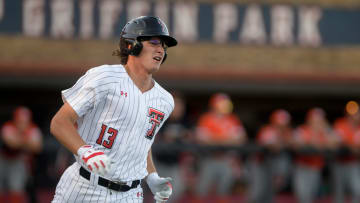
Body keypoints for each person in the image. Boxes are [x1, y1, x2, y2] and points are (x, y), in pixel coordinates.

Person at [50, 16, 177, 203]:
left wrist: (152, 176)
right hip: (85, 186)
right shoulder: (104, 77)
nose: (161, 49)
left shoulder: (165, 100)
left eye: (164, 45)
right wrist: (86, 151)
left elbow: (142, 142)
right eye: (154, 41)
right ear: (130, 45)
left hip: (130, 194)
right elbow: (59, 123)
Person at [195, 93, 247, 199]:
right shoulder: (206, 119)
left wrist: (215, 138)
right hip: (209, 159)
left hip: (227, 160)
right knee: (202, 190)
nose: (224, 106)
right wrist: (227, 139)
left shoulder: (233, 119)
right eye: (222, 103)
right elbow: (201, 139)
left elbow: (241, 139)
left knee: (224, 191)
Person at [291, 108, 337, 203]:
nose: (317, 122)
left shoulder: (326, 131)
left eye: (319, 120)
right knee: (302, 193)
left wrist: (325, 131)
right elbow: (295, 145)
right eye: (315, 119)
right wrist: (314, 139)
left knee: (311, 194)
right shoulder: (302, 130)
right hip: (302, 166)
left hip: (316, 167)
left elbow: (334, 145)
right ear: (309, 120)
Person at [248, 109, 292, 203]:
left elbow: (295, 143)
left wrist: (285, 142)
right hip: (259, 164)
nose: (281, 126)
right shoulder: (267, 130)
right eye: (279, 123)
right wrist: (284, 142)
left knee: (270, 193)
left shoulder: (287, 132)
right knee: (257, 192)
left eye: (284, 124)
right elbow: (273, 146)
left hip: (272, 166)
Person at [0, 106, 43, 203]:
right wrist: (27, 141)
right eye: (20, 120)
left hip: (19, 161)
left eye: (25, 120)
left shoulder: (33, 128)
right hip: (3, 159)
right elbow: (11, 144)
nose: (23, 123)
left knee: (16, 188)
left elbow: (38, 148)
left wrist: (19, 140)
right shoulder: (8, 126)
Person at [332, 101, 360, 203]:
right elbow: (336, 143)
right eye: (352, 114)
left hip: (354, 163)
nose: (354, 116)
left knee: (357, 190)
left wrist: (350, 146)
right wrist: (351, 146)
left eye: (356, 113)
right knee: (339, 191)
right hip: (339, 162)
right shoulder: (340, 124)